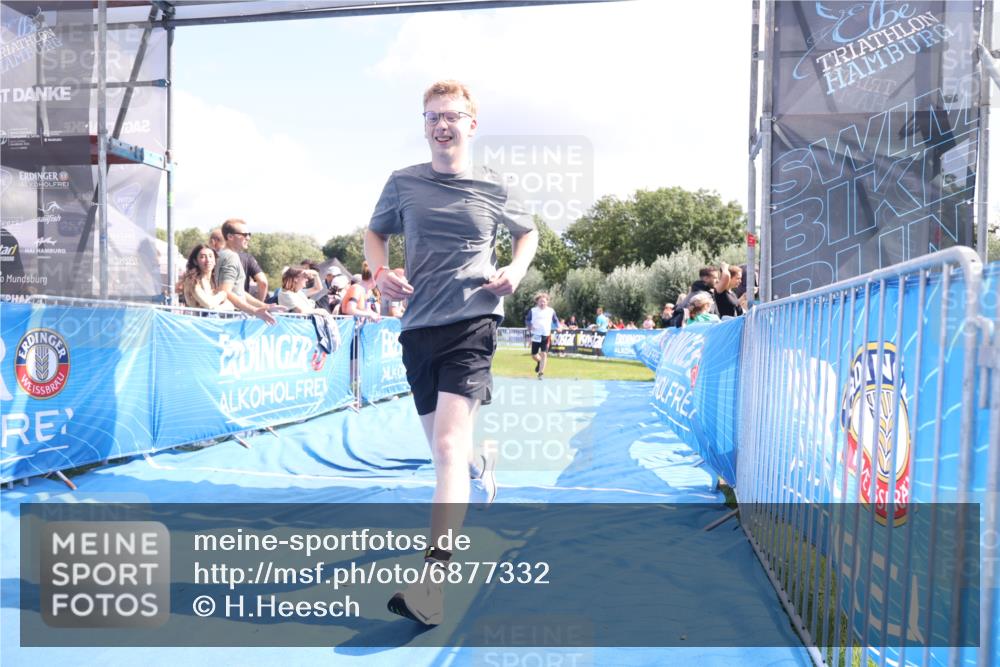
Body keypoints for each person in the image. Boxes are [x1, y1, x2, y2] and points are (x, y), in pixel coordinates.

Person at [365, 79, 538, 626]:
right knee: (451, 455)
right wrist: (379, 273)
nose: (442, 124)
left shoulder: (494, 185)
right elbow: (375, 234)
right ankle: (480, 466)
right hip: (418, 327)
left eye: (452, 115)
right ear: (425, 126)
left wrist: (515, 270)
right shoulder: (402, 182)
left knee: (443, 447)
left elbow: (527, 234)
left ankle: (432, 585)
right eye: (433, 116)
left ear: (471, 124)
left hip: (473, 320)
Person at [213, 218, 284, 324]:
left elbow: (238, 291)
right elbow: (225, 292)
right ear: (230, 237)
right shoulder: (231, 257)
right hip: (231, 319)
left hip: (228, 317)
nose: (248, 238)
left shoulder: (223, 254)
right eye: (244, 235)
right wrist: (254, 310)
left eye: (249, 234)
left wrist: (265, 306)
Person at [181, 244, 235, 311]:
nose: (208, 260)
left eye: (210, 256)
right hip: (197, 317)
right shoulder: (191, 280)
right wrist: (223, 294)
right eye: (202, 257)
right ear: (195, 261)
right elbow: (208, 304)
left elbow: (230, 306)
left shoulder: (216, 279)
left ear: (215, 261)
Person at [525, 292, 559, 380]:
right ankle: (539, 361)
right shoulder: (533, 310)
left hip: (546, 335)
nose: (542, 303)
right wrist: (530, 325)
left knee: (544, 353)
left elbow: (555, 320)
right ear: (537, 302)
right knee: (534, 355)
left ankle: (541, 373)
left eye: (544, 301)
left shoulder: (551, 311)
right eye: (540, 301)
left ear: (547, 302)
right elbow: (527, 320)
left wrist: (558, 326)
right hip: (536, 334)